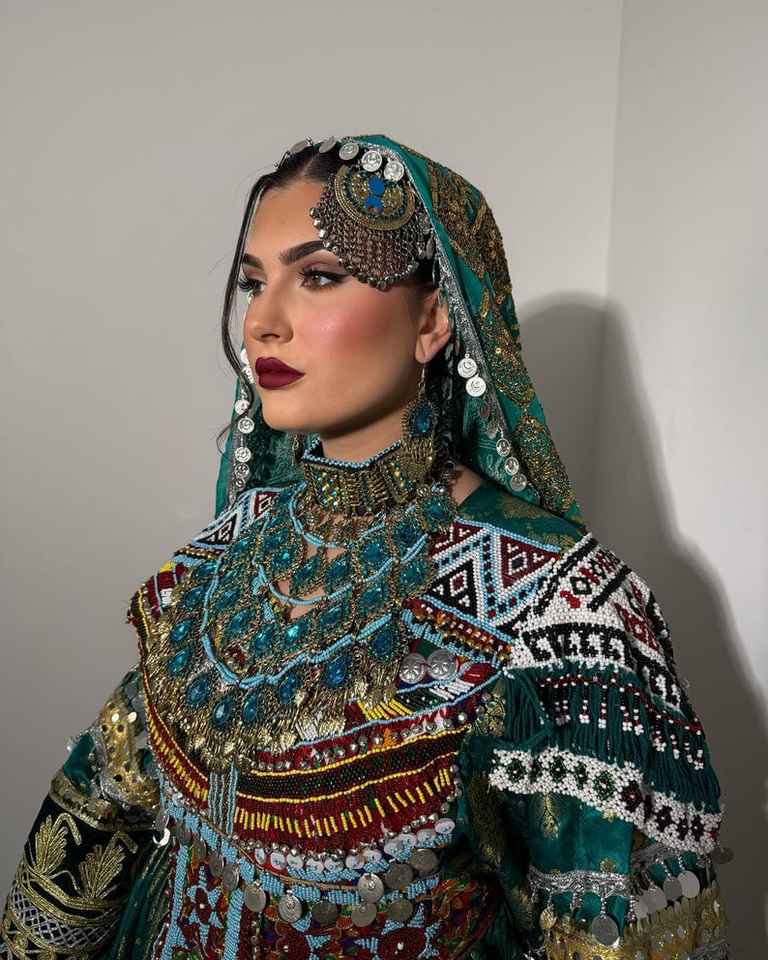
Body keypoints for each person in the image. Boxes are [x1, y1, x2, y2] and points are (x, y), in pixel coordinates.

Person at [1, 134, 732, 960]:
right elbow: (101, 806)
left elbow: (615, 934)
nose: (262, 323)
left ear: (432, 320)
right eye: (253, 282)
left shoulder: (563, 608)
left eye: (318, 276)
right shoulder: (225, 556)